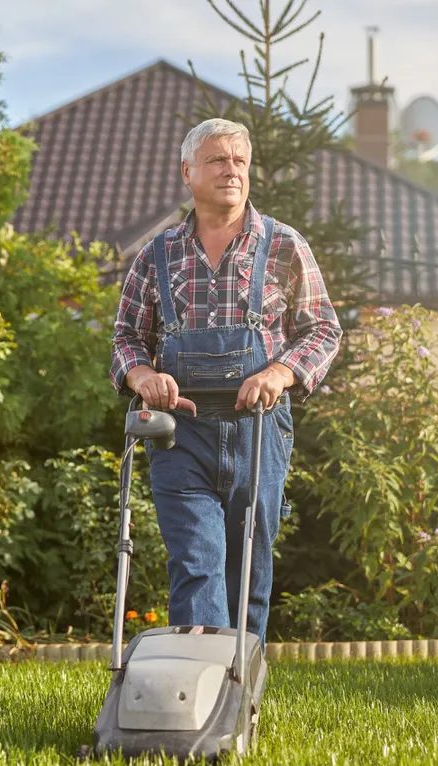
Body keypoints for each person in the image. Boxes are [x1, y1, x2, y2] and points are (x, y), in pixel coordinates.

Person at [109, 117, 342, 644]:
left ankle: (240, 685)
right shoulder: (157, 254)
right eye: (217, 160)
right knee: (196, 563)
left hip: (258, 430)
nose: (231, 170)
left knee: (249, 570)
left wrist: (280, 371)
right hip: (178, 433)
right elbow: (126, 337)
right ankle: (200, 684)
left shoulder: (284, 246)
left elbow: (324, 329)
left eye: (239, 161)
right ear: (187, 172)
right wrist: (142, 374)